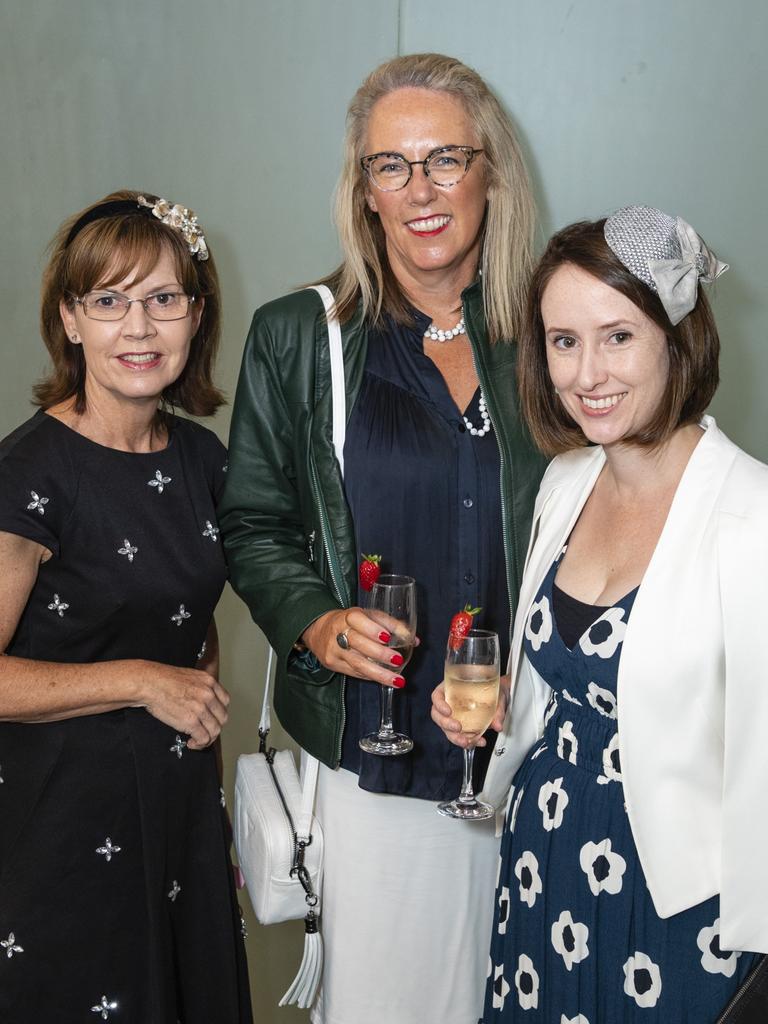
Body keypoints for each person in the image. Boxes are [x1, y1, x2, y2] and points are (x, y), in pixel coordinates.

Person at [219, 53, 545, 1024]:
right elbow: (253, 519)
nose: (422, 190)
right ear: (363, 191)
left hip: (529, 743)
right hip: (377, 743)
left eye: (446, 159)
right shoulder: (300, 337)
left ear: (493, 171)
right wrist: (314, 620)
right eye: (390, 166)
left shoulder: (551, 332)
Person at [433, 205, 767, 1021]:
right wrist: (492, 717)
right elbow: (562, 691)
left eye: (618, 336)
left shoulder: (753, 518)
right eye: (563, 341)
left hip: (680, 902)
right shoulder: (566, 482)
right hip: (541, 864)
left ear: (676, 339)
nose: (588, 374)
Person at [0, 190, 252, 1024]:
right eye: (109, 301)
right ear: (70, 321)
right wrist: (147, 680)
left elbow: (184, 607)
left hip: (177, 814)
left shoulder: (204, 459)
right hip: (57, 825)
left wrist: (195, 696)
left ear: (196, 316)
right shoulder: (28, 476)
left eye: (162, 300)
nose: (138, 328)